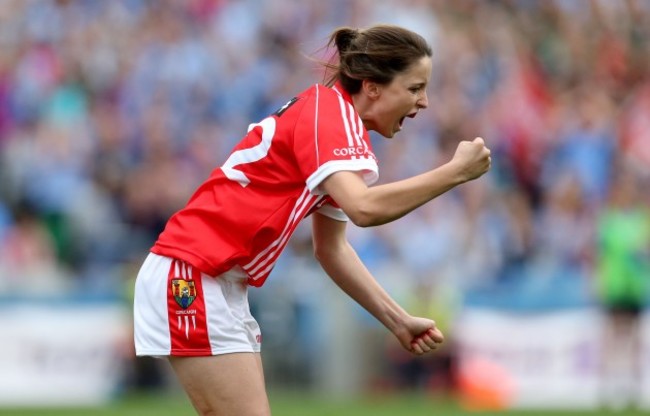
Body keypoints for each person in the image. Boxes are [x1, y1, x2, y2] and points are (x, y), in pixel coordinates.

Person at [133, 24, 491, 415]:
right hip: (192, 273)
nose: (423, 102)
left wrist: (398, 320)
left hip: (215, 279)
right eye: (414, 88)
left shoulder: (337, 124)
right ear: (372, 86)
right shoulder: (328, 116)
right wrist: (454, 173)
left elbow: (332, 249)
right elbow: (365, 209)